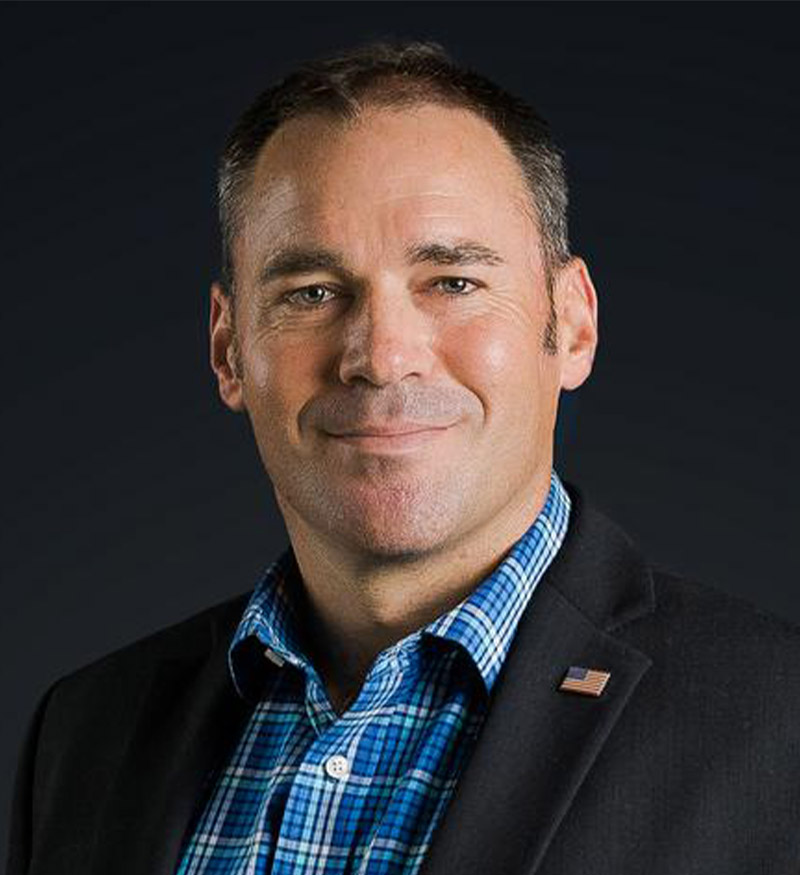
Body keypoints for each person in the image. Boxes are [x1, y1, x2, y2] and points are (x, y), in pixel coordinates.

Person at [7, 40, 800, 875]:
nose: (382, 356)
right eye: (311, 292)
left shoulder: (775, 723)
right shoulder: (86, 729)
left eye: (452, 281)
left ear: (572, 324)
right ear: (228, 348)